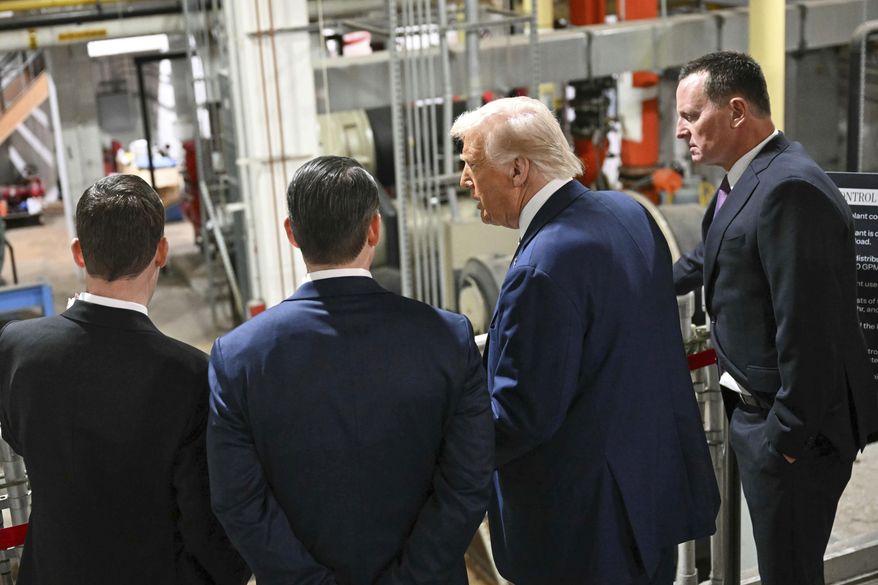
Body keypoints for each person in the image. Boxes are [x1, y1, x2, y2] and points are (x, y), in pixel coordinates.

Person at [450, 96, 720, 585]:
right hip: (649, 495)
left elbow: (521, 414)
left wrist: (441, 442)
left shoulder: (543, 267)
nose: (464, 181)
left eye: (471, 164)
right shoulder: (630, 215)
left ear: (517, 171)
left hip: (583, 530)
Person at [206, 155, 493, 585]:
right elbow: (468, 484)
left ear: (291, 233)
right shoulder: (447, 339)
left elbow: (239, 502)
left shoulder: (238, 357)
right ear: (374, 228)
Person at [673, 51, 878, 585]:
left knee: (788, 573)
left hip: (793, 433)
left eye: (692, 116)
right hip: (761, 416)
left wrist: (784, 440)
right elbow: (715, 255)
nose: (680, 131)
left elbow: (809, 330)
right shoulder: (747, 177)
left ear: (737, 111)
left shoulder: (789, 190)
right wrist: (635, 281)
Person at [0, 174, 249, 585]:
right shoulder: (190, 376)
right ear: (162, 251)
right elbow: (204, 523)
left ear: (79, 253)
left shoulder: (16, 349)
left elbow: (20, 435)